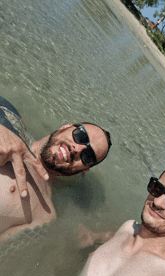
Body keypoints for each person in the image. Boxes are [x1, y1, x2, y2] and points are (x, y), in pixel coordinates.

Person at [0, 97, 112, 241]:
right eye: (81, 136)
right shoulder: (10, 118)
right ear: (65, 127)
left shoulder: (43, 214)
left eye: (88, 155)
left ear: (84, 170)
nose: (77, 148)